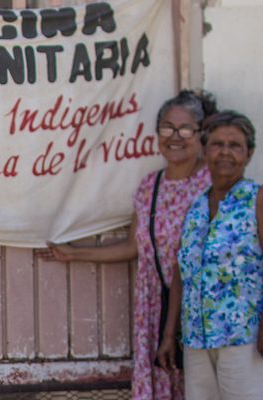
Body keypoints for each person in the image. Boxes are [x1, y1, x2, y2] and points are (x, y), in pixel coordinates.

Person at [38, 90, 216, 399]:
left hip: (200, 307)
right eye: (166, 127)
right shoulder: (151, 187)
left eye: (185, 128)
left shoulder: (213, 182)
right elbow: (136, 246)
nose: (175, 136)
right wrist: (74, 253)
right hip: (155, 304)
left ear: (201, 133)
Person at [158, 111, 263, 399]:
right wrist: (170, 334)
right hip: (197, 339)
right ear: (205, 150)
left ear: (249, 154)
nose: (225, 152)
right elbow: (182, 271)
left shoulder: (257, 199)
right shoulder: (196, 207)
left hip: (243, 338)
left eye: (235, 145)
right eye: (217, 144)